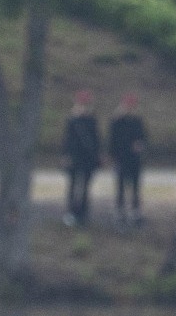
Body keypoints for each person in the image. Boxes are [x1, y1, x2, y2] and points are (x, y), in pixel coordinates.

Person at [62, 90, 102, 227]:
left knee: (85, 187)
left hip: (88, 158)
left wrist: (98, 156)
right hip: (74, 157)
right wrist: (66, 156)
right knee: (73, 186)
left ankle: (83, 213)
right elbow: (67, 140)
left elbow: (96, 140)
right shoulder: (72, 120)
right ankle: (71, 212)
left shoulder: (92, 120)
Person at [107, 93, 147, 227]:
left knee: (135, 186)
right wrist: (112, 156)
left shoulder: (137, 121)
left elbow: (144, 137)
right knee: (120, 186)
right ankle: (119, 211)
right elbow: (112, 140)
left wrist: (141, 146)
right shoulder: (117, 121)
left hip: (135, 159)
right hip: (121, 158)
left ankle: (135, 211)